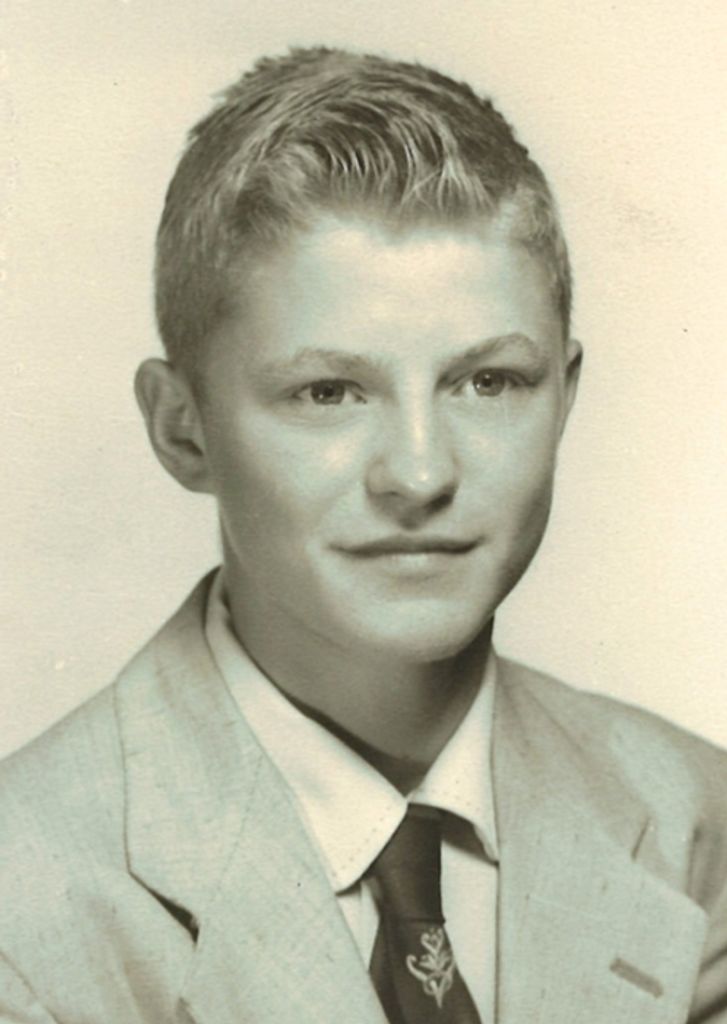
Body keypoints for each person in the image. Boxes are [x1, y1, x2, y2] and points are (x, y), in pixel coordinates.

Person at [1, 46, 725, 1024]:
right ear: (181, 429)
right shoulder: (25, 903)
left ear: (563, 398)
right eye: (327, 392)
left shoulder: (698, 827)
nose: (420, 475)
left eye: (488, 382)